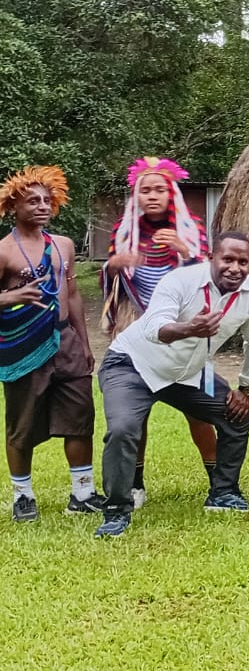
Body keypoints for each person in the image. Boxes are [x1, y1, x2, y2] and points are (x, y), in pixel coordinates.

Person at [95, 232, 249, 537]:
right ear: (212, 258)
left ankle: (223, 493)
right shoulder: (180, 281)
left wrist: (245, 391)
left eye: (243, 262)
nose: (235, 268)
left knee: (237, 414)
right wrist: (190, 328)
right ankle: (116, 512)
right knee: (123, 429)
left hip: (187, 372)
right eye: (227, 259)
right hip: (132, 365)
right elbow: (154, 329)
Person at [101, 156, 215, 508]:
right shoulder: (126, 229)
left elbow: (214, 277)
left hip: (184, 329)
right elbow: (112, 275)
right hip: (138, 328)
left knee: (200, 410)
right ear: (136, 195)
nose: (152, 196)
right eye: (145, 190)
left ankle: (219, 483)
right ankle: (135, 485)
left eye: (159, 189)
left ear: (172, 193)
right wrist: (113, 265)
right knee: (138, 412)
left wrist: (186, 251)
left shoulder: (189, 226)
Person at [0, 166, 101, 522]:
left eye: (47, 200)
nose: (42, 206)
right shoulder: (4, 251)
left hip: (66, 341)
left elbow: (71, 294)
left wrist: (84, 343)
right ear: (14, 206)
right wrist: (10, 296)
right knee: (22, 423)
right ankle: (23, 497)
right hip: (24, 345)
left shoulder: (63, 246)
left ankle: (83, 493)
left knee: (80, 415)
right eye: (33, 200)